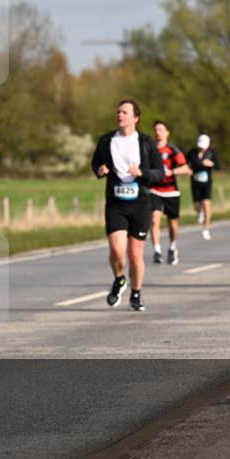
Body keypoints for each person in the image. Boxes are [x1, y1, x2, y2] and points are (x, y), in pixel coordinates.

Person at [91, 99, 166, 311]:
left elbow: (160, 172)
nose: (120, 115)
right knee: (117, 250)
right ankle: (119, 279)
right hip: (116, 203)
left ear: (135, 118)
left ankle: (136, 294)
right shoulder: (107, 140)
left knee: (135, 254)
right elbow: (96, 162)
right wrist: (100, 170)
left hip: (140, 202)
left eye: (124, 112)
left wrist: (142, 173)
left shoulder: (145, 142)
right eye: (118, 112)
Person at [149, 121, 190, 265]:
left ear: (167, 133)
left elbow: (186, 169)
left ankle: (172, 247)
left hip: (171, 191)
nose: (158, 132)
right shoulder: (150, 149)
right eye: (156, 130)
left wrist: (171, 171)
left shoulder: (173, 150)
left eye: (160, 130)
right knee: (154, 219)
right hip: (154, 190)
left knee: (172, 224)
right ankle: (157, 251)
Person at [187, 134, 218, 240]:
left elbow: (218, 166)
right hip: (195, 182)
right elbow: (186, 163)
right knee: (196, 205)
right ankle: (200, 212)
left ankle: (206, 229)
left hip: (207, 182)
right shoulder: (192, 152)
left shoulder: (211, 153)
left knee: (206, 204)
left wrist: (211, 164)